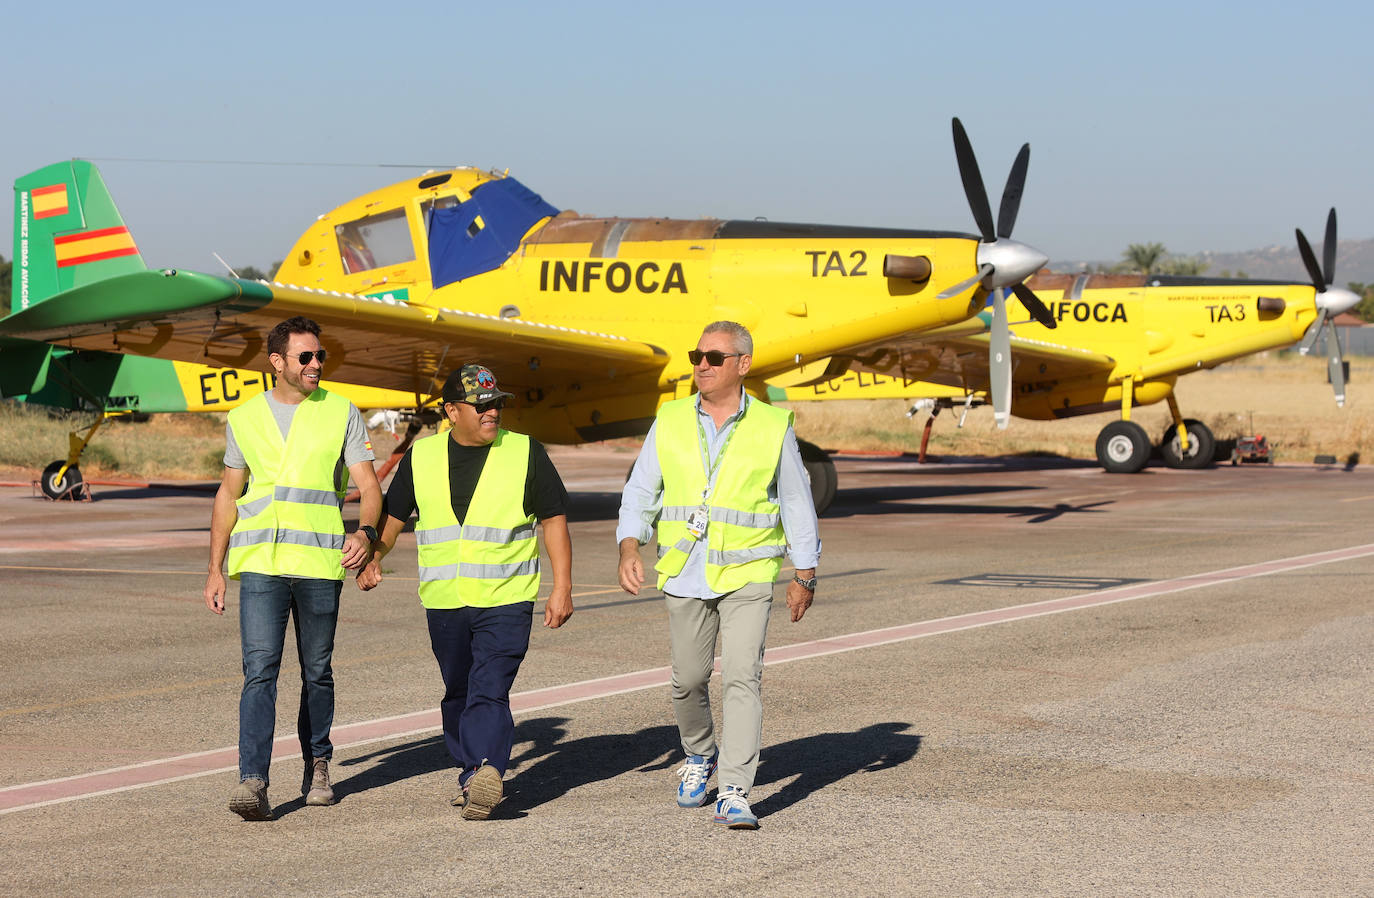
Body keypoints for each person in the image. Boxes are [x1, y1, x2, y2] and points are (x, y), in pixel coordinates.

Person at [617, 320, 821, 830]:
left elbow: (796, 499)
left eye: (714, 358)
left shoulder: (773, 424)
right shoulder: (669, 418)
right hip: (684, 568)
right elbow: (641, 488)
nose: (701, 366)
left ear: (743, 365)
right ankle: (699, 754)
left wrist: (805, 571)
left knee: (741, 676)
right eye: (697, 356)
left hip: (749, 570)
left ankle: (733, 788)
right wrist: (628, 545)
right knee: (688, 679)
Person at [357, 363, 573, 820]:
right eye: (481, 405)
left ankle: (490, 768)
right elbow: (393, 520)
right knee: (458, 691)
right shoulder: (422, 457)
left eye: (497, 404)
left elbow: (553, 519)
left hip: (506, 597)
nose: (492, 412)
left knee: (489, 688)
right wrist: (375, 556)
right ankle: (470, 773)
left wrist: (562, 586)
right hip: (444, 600)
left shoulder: (525, 452)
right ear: (452, 411)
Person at [204, 315, 382, 821]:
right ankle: (253, 780)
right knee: (259, 669)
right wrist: (215, 569)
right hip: (260, 563)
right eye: (305, 357)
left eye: (320, 356)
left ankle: (318, 766)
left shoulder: (341, 412)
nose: (316, 364)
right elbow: (228, 494)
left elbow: (369, 488)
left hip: (320, 561)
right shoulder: (244, 418)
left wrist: (366, 536)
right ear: (277, 362)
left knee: (317, 671)